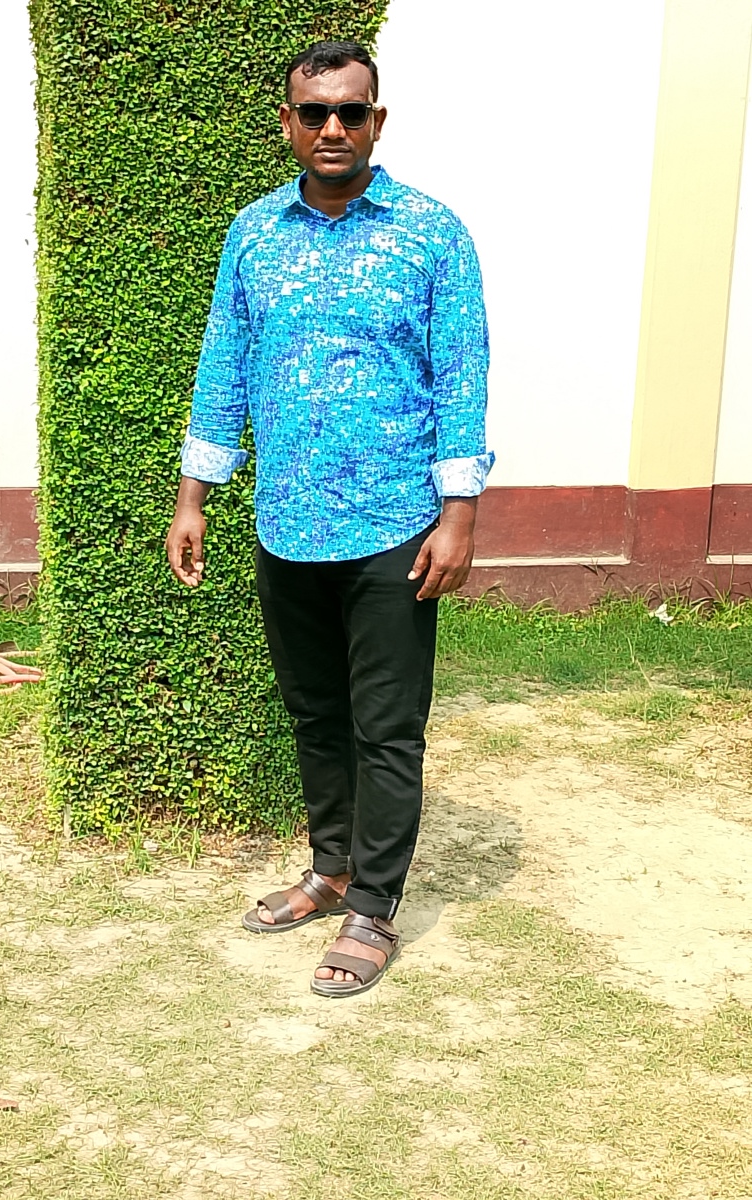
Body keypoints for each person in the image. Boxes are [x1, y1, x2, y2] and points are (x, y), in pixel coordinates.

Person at [166, 40, 492, 998]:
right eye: (315, 113)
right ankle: (333, 867)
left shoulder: (433, 234)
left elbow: (461, 377)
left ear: (377, 121)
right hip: (288, 523)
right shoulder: (254, 235)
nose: (334, 128)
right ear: (289, 124)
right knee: (315, 711)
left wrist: (459, 515)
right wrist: (195, 495)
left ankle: (373, 908)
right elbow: (224, 366)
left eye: (352, 111)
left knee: (387, 727)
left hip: (395, 528)